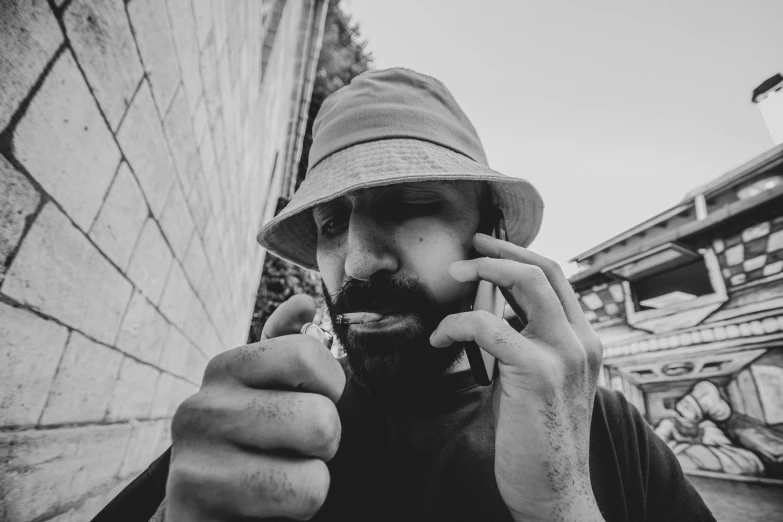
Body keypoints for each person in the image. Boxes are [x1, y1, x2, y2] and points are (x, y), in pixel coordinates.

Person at [94, 68, 715, 522]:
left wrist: (564, 506)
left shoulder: (600, 427)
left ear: (491, 237)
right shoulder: (267, 421)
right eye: (331, 225)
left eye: (412, 205)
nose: (358, 260)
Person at [654, 380, 765, 476]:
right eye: (686, 401)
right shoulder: (668, 423)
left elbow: (724, 448)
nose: (685, 405)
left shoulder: (707, 426)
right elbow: (657, 446)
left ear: (699, 415)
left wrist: (697, 451)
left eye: (691, 406)